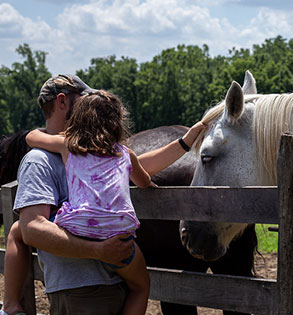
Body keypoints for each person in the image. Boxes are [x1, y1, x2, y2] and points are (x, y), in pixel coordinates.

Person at [1, 75, 205, 315]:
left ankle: (10, 306)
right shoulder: (44, 161)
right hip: (91, 274)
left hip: (102, 267)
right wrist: (99, 250)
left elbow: (30, 137)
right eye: (84, 100)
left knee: (15, 230)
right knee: (142, 286)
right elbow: (33, 228)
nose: (89, 107)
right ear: (62, 102)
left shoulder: (68, 148)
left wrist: (183, 142)